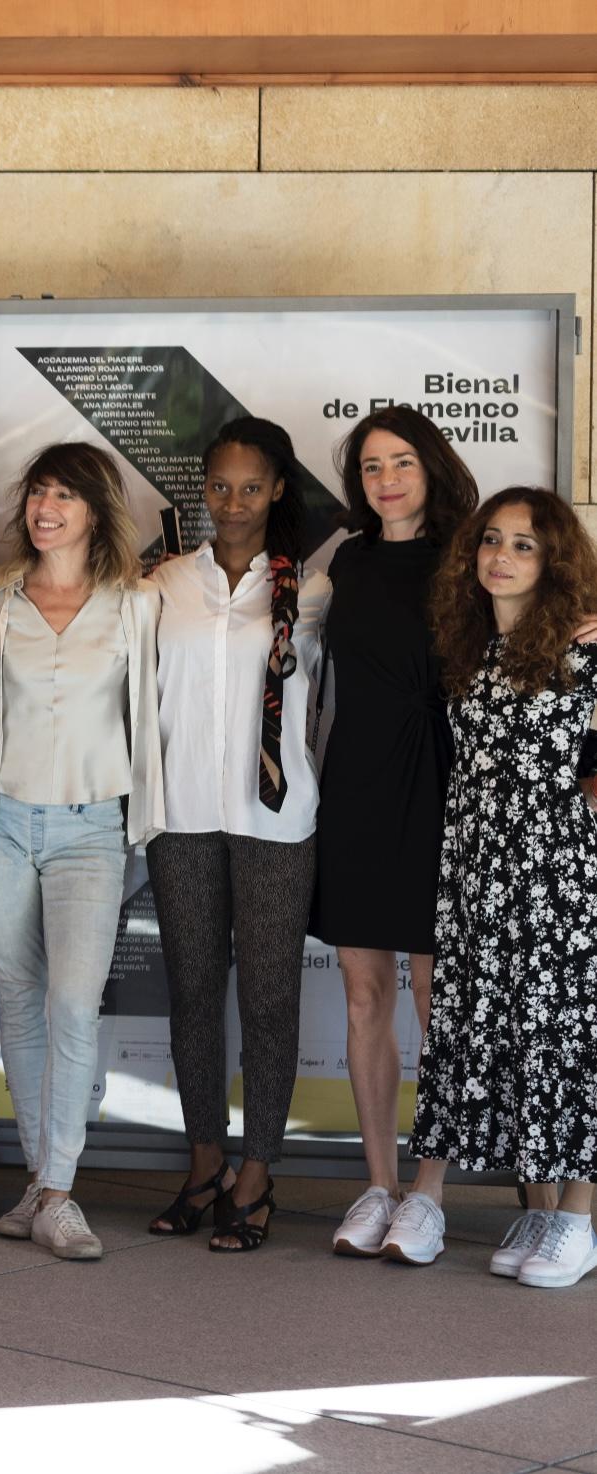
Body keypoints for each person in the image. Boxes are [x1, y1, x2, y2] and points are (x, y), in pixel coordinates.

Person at [0, 442, 162, 1262]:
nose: (46, 509)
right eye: (38, 493)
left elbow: (149, 710)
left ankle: (60, 1188)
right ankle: (44, 1183)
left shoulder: (136, 600)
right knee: (20, 1000)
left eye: (65, 496)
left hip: (90, 828)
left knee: (75, 1004)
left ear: (96, 509)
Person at [393, 488, 597, 1283]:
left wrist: (571, 819)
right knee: (505, 1036)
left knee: (568, 1039)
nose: (502, 557)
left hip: (557, 876)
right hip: (479, 871)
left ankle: (579, 1220)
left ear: (555, 563)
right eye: (492, 541)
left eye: (524, 545)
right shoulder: (475, 649)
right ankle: (543, 1215)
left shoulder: (582, 650)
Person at [145, 418, 330, 1252]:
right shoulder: (162, 586)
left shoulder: (313, 590)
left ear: (278, 490)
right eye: (218, 485)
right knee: (189, 991)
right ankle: (204, 1161)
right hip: (180, 814)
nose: (232, 502)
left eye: (251, 486)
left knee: (267, 998)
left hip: (275, 819)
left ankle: (259, 1171)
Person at [311, 406, 478, 1259]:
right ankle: (377, 1186)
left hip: (445, 785)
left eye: (402, 462)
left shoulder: (473, 551)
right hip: (359, 784)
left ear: (432, 466)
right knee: (364, 991)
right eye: (372, 466)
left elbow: (546, 616)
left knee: (432, 997)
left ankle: (429, 1191)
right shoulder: (346, 556)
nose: (386, 480)